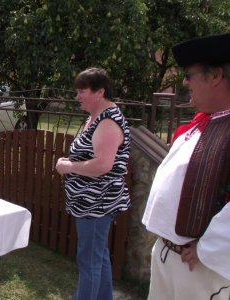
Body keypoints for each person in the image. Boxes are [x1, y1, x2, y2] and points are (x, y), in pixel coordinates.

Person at [142, 32, 230, 299]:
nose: (184, 81)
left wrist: (207, 249)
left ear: (215, 76)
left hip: (199, 267)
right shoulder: (203, 125)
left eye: (190, 74)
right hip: (168, 254)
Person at [55, 67, 131, 300]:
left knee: (89, 260)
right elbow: (92, 155)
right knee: (98, 255)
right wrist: (72, 160)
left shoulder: (108, 121)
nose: (77, 96)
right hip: (90, 202)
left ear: (100, 92)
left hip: (97, 203)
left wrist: (69, 167)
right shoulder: (96, 117)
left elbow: (103, 165)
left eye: (82, 91)